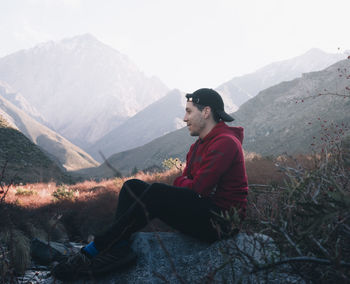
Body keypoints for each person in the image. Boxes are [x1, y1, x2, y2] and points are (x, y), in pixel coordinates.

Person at [52, 88, 249, 280]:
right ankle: (119, 249)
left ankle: (93, 250)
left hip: (222, 224)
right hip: (203, 211)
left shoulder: (226, 142)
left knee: (156, 192)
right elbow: (189, 185)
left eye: (189, 111)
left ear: (206, 112)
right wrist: (186, 182)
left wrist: (185, 183)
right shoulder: (197, 146)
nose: (184, 118)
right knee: (132, 187)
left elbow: (198, 189)